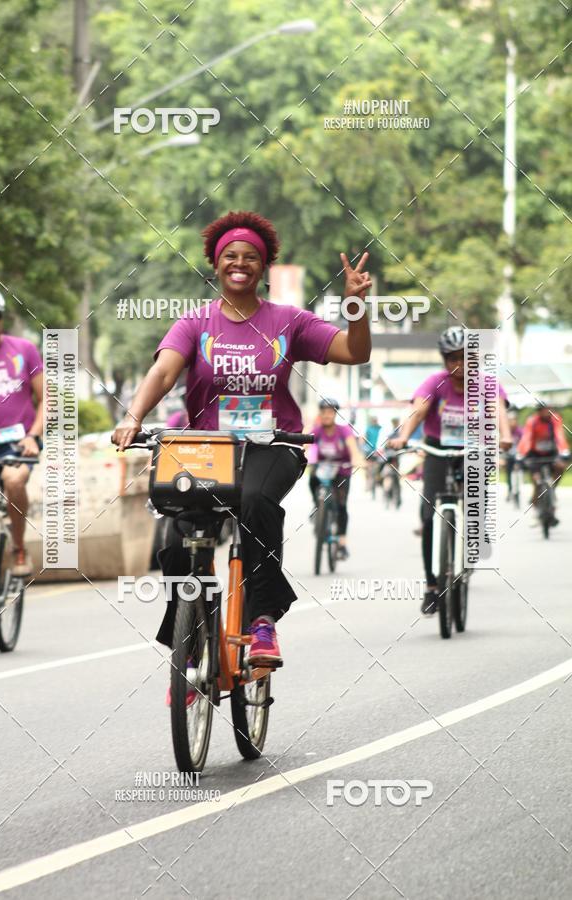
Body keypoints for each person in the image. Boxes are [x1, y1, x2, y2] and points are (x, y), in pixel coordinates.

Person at [112, 210, 372, 673]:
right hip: (207, 449)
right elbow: (164, 371)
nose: (240, 263)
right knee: (177, 537)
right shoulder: (194, 323)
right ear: (215, 264)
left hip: (273, 445)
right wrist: (134, 417)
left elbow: (354, 352)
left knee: (254, 502)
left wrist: (354, 307)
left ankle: (263, 619)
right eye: (230, 255)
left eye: (250, 256)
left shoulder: (289, 321)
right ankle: (189, 629)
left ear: (263, 266)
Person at [388, 325, 512, 616]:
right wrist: (404, 437)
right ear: (444, 360)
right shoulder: (435, 382)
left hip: (474, 450)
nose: (458, 365)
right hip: (438, 450)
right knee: (428, 514)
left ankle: (475, 532)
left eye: (464, 357)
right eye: (451, 358)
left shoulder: (487, 384)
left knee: (476, 502)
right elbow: (418, 410)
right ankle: (432, 585)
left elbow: (498, 411)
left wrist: (504, 436)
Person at [0, 286, 43, 576]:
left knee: (14, 480)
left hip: (17, 442)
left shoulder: (23, 349)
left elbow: (47, 398)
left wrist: (34, 436)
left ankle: (18, 548)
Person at [309, 398, 362, 559]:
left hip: (342, 470)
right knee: (312, 479)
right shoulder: (317, 430)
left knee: (341, 505)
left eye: (330, 412)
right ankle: (317, 506)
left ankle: (342, 543)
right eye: (323, 412)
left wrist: (357, 459)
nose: (326, 415)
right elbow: (306, 444)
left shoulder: (344, 430)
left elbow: (352, 447)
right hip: (322, 467)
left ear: (335, 414)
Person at [517, 406, 569, 525]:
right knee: (536, 481)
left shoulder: (555, 419)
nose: (547, 413)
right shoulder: (532, 421)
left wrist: (563, 451)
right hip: (534, 453)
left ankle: (552, 489)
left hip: (551, 452)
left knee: (560, 466)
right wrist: (522, 452)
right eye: (544, 410)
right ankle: (537, 506)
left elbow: (559, 436)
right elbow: (527, 438)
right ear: (539, 412)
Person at [505, 410, 523, 500]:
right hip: (508, 455)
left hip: (518, 455)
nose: (512, 422)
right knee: (508, 474)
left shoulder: (520, 431)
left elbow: (524, 442)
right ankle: (510, 490)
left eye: (514, 420)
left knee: (519, 471)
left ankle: (518, 489)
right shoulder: (506, 432)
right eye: (510, 420)